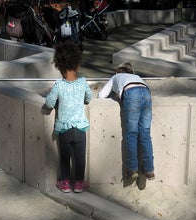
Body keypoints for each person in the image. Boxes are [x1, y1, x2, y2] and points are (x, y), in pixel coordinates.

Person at [45, 41, 92, 193]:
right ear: (77, 64)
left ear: (59, 66)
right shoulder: (83, 83)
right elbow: (89, 98)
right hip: (79, 128)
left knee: (64, 158)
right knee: (80, 158)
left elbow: (49, 103)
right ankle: (78, 183)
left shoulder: (59, 85)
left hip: (64, 129)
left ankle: (65, 183)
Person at [98, 62, 155, 181]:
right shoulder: (137, 77)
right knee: (145, 134)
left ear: (118, 72)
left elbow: (101, 95)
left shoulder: (115, 77)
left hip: (131, 93)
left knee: (131, 134)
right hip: (146, 93)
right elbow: (139, 90)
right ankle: (150, 170)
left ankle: (133, 169)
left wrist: (118, 94)